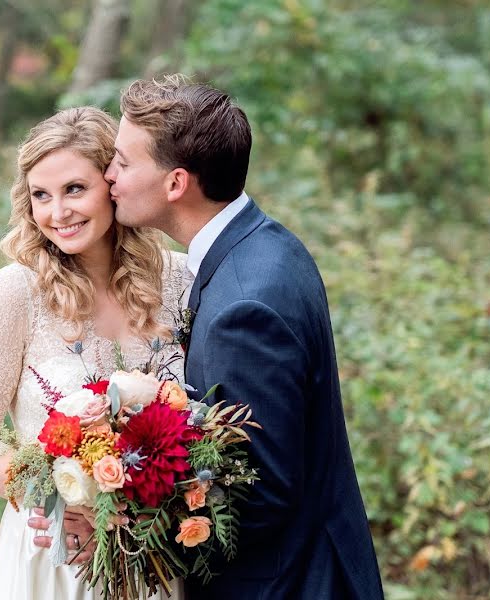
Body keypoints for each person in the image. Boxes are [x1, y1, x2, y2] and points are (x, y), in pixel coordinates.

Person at [103, 74, 385, 599]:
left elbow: (261, 492)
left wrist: (125, 526)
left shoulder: (244, 305)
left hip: (284, 584)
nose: (109, 174)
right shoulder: (265, 244)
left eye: (123, 161)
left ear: (175, 183)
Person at [0, 106, 188, 600]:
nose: (58, 212)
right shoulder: (18, 291)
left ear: (111, 184)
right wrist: (57, 493)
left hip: (155, 556)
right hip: (56, 557)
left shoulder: (180, 280)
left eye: (75, 189)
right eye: (41, 195)